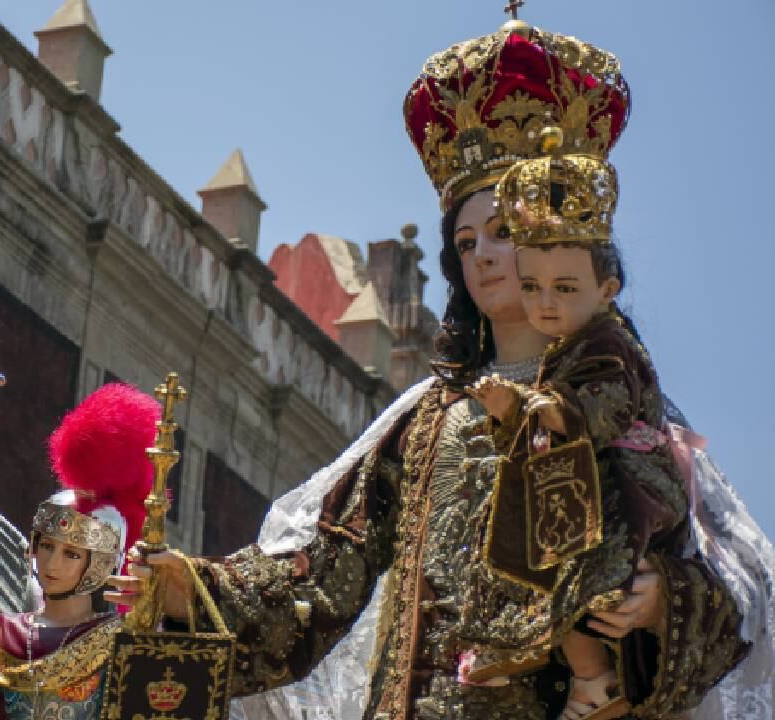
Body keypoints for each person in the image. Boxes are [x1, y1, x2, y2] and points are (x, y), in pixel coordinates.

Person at [109, 16, 758, 720]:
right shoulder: (427, 420)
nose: (482, 255)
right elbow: (325, 569)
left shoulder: (616, 397)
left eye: (505, 233)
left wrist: (661, 598)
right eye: (467, 238)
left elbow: (732, 587)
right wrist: (194, 591)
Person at [461, 147, 685, 720]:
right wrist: (510, 408)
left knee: (579, 574)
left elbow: (602, 399)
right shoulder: (557, 357)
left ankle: (591, 680)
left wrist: (662, 600)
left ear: (605, 288)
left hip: (624, 488)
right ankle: (517, 641)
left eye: (563, 288)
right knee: (533, 547)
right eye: (533, 286)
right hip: (572, 478)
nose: (544, 303)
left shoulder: (608, 344)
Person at [0, 383, 160, 720]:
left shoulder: (122, 645)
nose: (52, 562)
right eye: (47, 547)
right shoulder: (5, 639)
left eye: (71, 554)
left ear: (99, 565)